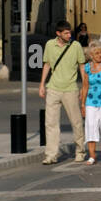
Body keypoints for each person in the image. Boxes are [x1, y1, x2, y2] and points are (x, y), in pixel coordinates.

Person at [39, 21, 87, 164]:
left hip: (70, 89)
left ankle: (80, 151)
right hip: (53, 88)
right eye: (66, 33)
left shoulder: (76, 46)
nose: (69, 35)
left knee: (76, 122)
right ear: (58, 34)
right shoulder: (49, 45)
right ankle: (51, 155)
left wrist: (84, 87)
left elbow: (82, 67)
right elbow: (46, 64)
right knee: (51, 123)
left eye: (69, 32)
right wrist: (42, 85)